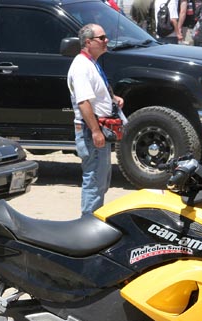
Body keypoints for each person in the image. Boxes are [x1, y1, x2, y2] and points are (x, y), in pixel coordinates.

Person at [67, 24, 125, 214]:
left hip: (98, 129)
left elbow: (93, 94)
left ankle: (91, 222)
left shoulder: (91, 63)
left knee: (101, 181)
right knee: (94, 181)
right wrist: (95, 131)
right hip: (90, 130)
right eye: (102, 38)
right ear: (88, 42)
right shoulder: (81, 66)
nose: (106, 40)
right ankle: (87, 225)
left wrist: (112, 99)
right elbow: (83, 102)